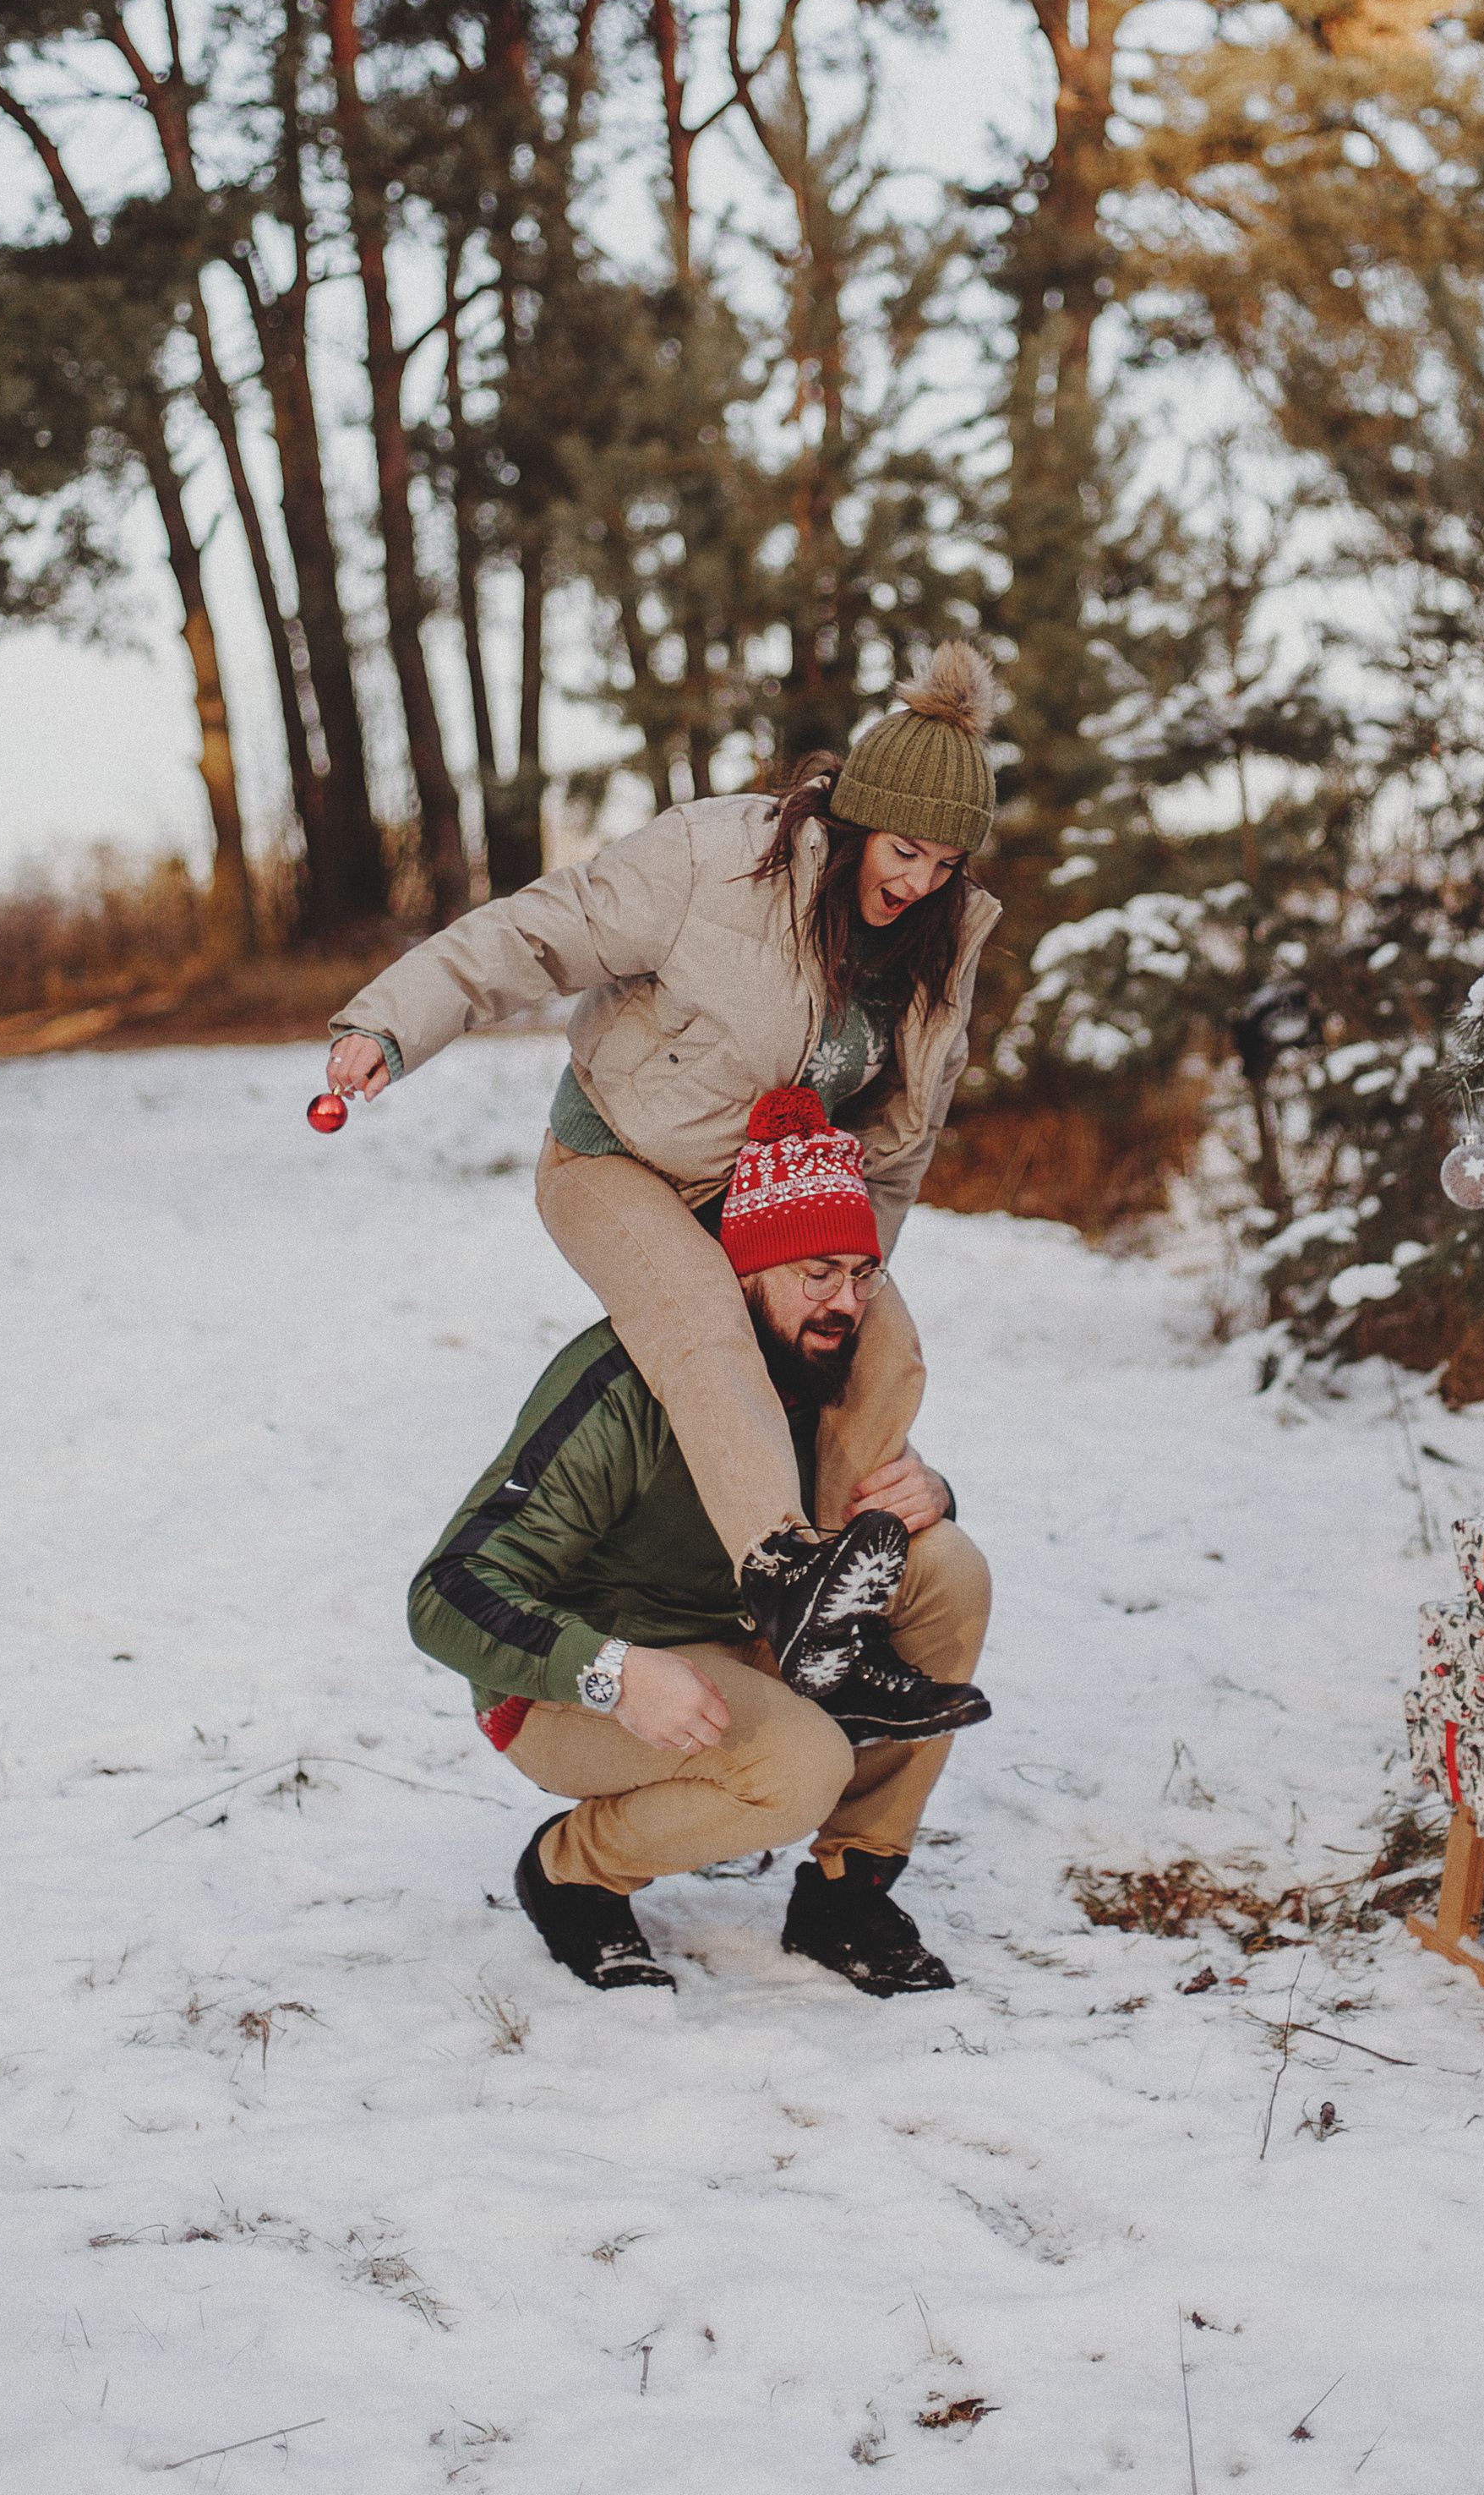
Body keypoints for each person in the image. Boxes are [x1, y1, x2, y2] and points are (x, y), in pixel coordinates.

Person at [327, 641, 1003, 1742]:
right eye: (906, 851)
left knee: (887, 1347)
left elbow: (897, 1142)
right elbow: (535, 934)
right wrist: (389, 1026)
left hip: (770, 1193)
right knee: (699, 1324)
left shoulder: (941, 940)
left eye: (946, 863)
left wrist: (847, 1273)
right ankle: (789, 1589)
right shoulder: (716, 862)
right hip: (616, 1162)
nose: (919, 883)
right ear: (854, 820)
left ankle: (830, 1616)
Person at [409, 1089, 990, 1999]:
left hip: (739, 1638)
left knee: (949, 1565)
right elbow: (447, 1590)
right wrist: (611, 1671)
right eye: (818, 1274)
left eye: (863, 1275)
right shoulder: (625, 1384)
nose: (846, 1303)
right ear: (746, 1275)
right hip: (579, 1683)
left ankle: (849, 1890)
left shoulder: (822, 1373)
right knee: (800, 1769)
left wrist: (931, 1493)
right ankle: (575, 1873)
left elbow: (870, 1538)